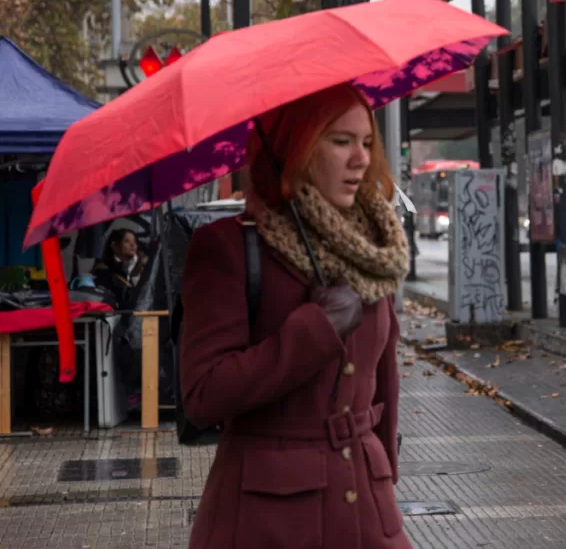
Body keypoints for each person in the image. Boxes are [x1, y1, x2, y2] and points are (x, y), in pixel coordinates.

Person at [179, 82, 412, 549]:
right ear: (296, 150)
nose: (361, 159)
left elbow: (382, 379)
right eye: (340, 141)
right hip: (270, 520)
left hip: (369, 512)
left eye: (366, 143)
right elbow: (204, 393)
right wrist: (315, 329)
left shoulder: (372, 250)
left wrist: (382, 471)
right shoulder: (228, 247)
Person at [92, 228, 147, 308]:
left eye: (134, 241)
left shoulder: (141, 266)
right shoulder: (103, 270)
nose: (133, 245)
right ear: (114, 246)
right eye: (127, 241)